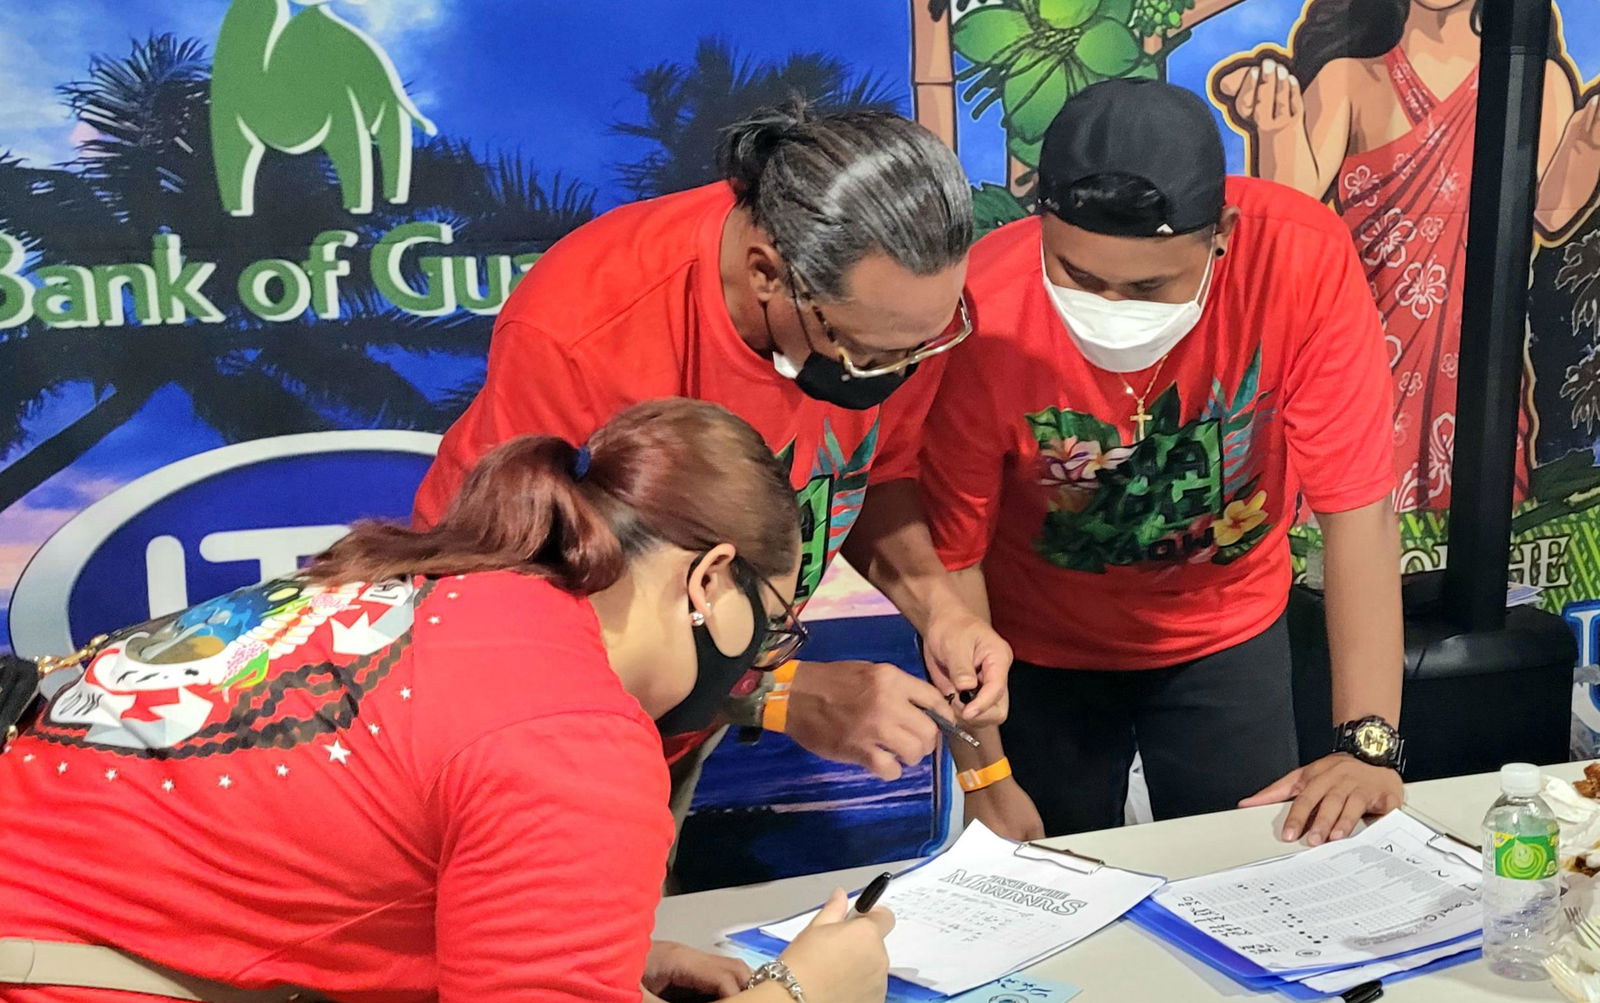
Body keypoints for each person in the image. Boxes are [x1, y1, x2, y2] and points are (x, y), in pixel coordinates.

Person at [0, 399, 895, 1003]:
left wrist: (587, 955)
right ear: (708, 580)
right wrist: (804, 1001)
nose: (759, 661)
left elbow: (323, 831)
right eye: (775, 628)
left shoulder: (444, 586)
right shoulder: (575, 736)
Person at [412, 100, 1011, 823]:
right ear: (767, 273)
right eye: (868, 352)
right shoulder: (589, 329)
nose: (898, 371)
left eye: (926, 342)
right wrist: (782, 694)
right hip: (533, 718)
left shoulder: (897, 307)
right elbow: (534, 618)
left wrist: (939, 609)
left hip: (700, 691)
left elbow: (875, 473)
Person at [911, 79, 1405, 844]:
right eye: (1077, 276)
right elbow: (954, 560)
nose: (1112, 305)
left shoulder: (1298, 260)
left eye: (1148, 286)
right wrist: (984, 776)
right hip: (1033, 650)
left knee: (1251, 862)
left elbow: (1360, 509)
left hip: (1227, 629)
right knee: (1049, 873)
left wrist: (1367, 744)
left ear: (1223, 234)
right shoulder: (978, 308)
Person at [1211, 0, 1600, 511]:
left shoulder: (1538, 80)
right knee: (1347, 493)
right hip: (1361, 341)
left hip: (1480, 350)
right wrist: (1275, 126)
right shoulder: (1348, 78)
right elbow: (1296, 213)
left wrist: (1586, 145)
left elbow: (1548, 214)